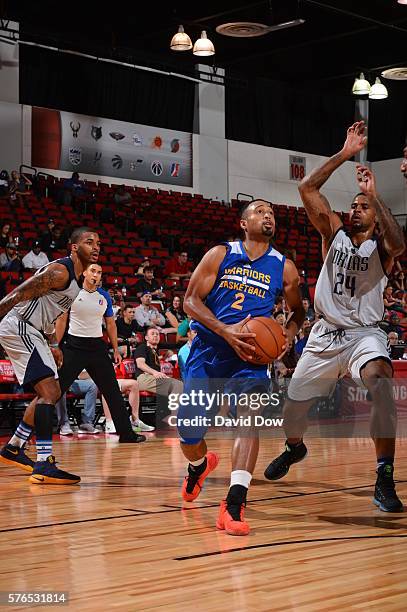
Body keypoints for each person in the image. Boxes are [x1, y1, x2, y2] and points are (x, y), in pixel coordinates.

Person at [264, 121, 406, 513]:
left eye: (363, 207)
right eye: (354, 205)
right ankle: (295, 449)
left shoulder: (382, 248)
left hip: (364, 334)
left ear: (375, 215)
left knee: (379, 384)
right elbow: (307, 188)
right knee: (291, 411)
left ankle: (383, 476)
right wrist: (345, 154)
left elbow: (399, 243)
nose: (355, 209)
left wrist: (376, 197)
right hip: (325, 333)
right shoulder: (333, 233)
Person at [178, 199, 304, 535]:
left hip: (250, 357)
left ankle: (234, 504)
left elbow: (298, 313)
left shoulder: (283, 266)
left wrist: (286, 337)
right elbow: (191, 300)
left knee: (250, 418)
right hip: (209, 350)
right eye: (260, 211)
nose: (268, 215)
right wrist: (224, 330)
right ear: (243, 223)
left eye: (272, 213)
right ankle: (199, 466)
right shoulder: (221, 253)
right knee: (189, 434)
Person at [0, 226, 100, 484]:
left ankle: (14, 447)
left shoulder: (77, 281)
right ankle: (43, 462)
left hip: (35, 331)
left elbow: (50, 313)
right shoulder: (59, 271)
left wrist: (54, 343)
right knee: (50, 393)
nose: (96, 246)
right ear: (75, 247)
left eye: (98, 243)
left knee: (50, 392)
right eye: (90, 242)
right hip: (19, 325)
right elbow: (18, 293)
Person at [55, 263, 145, 444]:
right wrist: (56, 346)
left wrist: (115, 349)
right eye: (93, 271)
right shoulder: (73, 293)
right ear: (85, 274)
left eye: (99, 272)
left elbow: (110, 324)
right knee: (54, 391)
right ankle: (29, 431)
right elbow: (62, 320)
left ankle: (127, 434)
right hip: (73, 346)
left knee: (112, 391)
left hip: (97, 347)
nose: (96, 275)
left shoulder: (104, 296)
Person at [134, 327, 183, 397]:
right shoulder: (142, 348)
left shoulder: (154, 350)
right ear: (146, 338)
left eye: (157, 334)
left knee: (180, 384)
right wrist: (155, 372)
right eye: (152, 334)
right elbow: (140, 364)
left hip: (152, 378)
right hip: (144, 378)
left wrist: (165, 357)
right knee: (177, 385)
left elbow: (152, 362)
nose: (155, 335)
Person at [57, 371, 99, 435]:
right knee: (60, 386)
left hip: (71, 381)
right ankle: (64, 424)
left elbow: (79, 375)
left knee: (92, 386)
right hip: (56, 382)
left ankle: (86, 423)